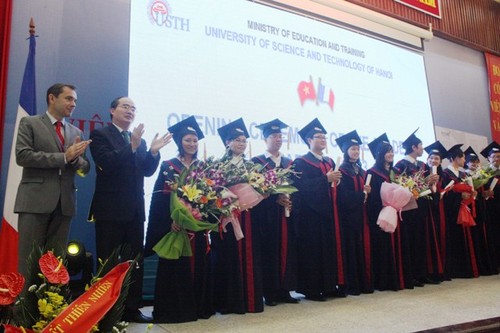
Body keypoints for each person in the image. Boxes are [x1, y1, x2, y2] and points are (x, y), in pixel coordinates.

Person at [88, 96, 172, 323]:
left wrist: (153, 152)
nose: (130, 111)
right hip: (110, 211)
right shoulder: (100, 135)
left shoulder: (140, 141)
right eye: (125, 106)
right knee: (108, 262)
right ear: (112, 110)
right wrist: (131, 146)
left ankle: (132, 308)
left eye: (133, 108)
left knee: (135, 262)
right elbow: (106, 164)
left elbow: (145, 171)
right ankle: (106, 311)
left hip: (135, 211)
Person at [15, 83, 90, 285]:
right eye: (68, 98)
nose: (73, 104)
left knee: (55, 263)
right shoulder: (30, 123)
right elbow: (22, 156)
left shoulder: (76, 132)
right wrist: (64, 157)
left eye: (75, 100)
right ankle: (24, 312)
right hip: (34, 201)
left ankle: (50, 308)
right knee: (29, 259)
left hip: (64, 203)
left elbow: (84, 168)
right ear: (51, 98)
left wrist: (75, 159)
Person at [144, 116, 214, 323]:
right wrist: (169, 222)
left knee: (199, 266)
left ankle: (199, 307)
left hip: (197, 228)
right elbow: (160, 199)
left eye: (194, 140)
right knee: (175, 269)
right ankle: (175, 310)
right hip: (175, 229)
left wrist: (203, 218)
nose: (192, 144)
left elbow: (211, 197)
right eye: (187, 140)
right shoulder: (168, 166)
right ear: (179, 142)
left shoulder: (204, 168)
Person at [211, 118, 264, 314]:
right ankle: (229, 303)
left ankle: (251, 301)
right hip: (227, 218)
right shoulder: (217, 166)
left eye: (244, 140)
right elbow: (212, 191)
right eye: (237, 140)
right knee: (228, 257)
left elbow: (260, 189)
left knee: (250, 256)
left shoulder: (252, 167)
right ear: (227, 142)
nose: (241, 144)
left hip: (249, 218)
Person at [292, 118, 344, 301]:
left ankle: (329, 285)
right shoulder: (300, 163)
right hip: (310, 215)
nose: (323, 139)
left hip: (328, 213)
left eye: (324, 137)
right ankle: (312, 289)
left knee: (328, 250)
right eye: (318, 137)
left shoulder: (329, 162)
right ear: (309, 140)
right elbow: (300, 188)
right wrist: (325, 180)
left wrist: (336, 180)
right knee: (312, 252)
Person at [251, 119, 298, 306]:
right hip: (267, 217)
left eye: (280, 136)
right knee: (269, 252)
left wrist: (292, 201)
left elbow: (297, 187)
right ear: (265, 139)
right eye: (274, 136)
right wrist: (274, 199)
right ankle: (270, 292)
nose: (278, 139)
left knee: (288, 250)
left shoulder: (289, 163)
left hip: (286, 216)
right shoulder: (257, 163)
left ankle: (285, 290)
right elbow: (254, 192)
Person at [394, 129, 439, 287]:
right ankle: (411, 275)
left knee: (421, 241)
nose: (422, 149)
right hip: (408, 209)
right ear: (413, 147)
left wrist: (431, 181)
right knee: (410, 241)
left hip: (422, 207)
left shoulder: (422, 165)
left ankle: (422, 273)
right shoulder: (400, 165)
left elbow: (427, 184)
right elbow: (398, 185)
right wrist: (421, 181)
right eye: (420, 146)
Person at [365, 133, 406, 291]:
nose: (390, 154)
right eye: (387, 151)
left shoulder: (394, 173)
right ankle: (383, 281)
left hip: (394, 213)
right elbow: (372, 197)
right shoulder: (371, 172)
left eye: (392, 151)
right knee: (382, 248)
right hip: (380, 215)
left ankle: (396, 278)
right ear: (379, 154)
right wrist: (384, 206)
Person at [336, 130, 373, 295]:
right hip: (348, 217)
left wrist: (367, 192)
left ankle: (364, 282)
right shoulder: (342, 170)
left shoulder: (361, 170)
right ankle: (352, 284)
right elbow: (343, 196)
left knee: (362, 247)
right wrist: (362, 194)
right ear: (345, 151)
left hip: (361, 215)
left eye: (358, 149)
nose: (356, 152)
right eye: (353, 149)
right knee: (350, 248)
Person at [441, 144, 479, 279]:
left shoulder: (463, 174)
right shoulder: (445, 174)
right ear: (456, 158)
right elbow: (443, 194)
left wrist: (471, 193)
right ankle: (457, 270)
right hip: (452, 212)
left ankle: (467, 268)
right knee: (455, 238)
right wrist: (459, 196)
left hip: (464, 210)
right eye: (463, 157)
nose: (464, 160)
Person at [464, 146, 498, 276]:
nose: (475, 164)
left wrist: (485, 193)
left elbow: (483, 192)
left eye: (476, 161)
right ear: (466, 163)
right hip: (471, 209)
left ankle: (488, 265)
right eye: (472, 162)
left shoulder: (481, 175)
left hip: (482, 209)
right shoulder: (465, 175)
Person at [423, 141, 447, 282]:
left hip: (440, 211)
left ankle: (442, 270)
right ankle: (431, 271)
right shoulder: (424, 173)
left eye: (436, 159)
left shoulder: (443, 176)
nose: (433, 160)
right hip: (428, 211)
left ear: (440, 161)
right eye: (431, 158)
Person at [480, 142, 500, 270]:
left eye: (499, 156)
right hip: (491, 209)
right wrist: (484, 193)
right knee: (494, 236)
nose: (497, 159)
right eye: (494, 157)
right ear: (488, 158)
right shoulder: (484, 174)